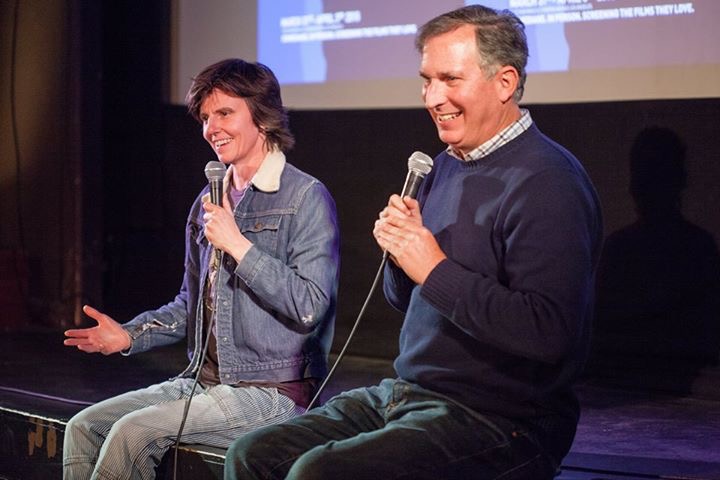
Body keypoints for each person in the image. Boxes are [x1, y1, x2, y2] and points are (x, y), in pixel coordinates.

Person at [225, 5, 603, 480]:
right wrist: (402, 259)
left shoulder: (549, 182)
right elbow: (407, 300)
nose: (432, 97)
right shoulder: (442, 166)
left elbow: (550, 332)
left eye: (450, 79)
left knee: (320, 474)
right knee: (252, 453)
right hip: (411, 393)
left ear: (505, 83)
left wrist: (433, 267)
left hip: (504, 420)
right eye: (426, 79)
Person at [62, 59, 340, 480]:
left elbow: (310, 305)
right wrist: (129, 336)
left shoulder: (305, 197)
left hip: (273, 392)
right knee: (84, 427)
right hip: (203, 382)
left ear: (261, 114)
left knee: (132, 433)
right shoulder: (207, 203)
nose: (211, 128)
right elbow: (191, 303)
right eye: (206, 117)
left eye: (224, 113)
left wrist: (239, 247)